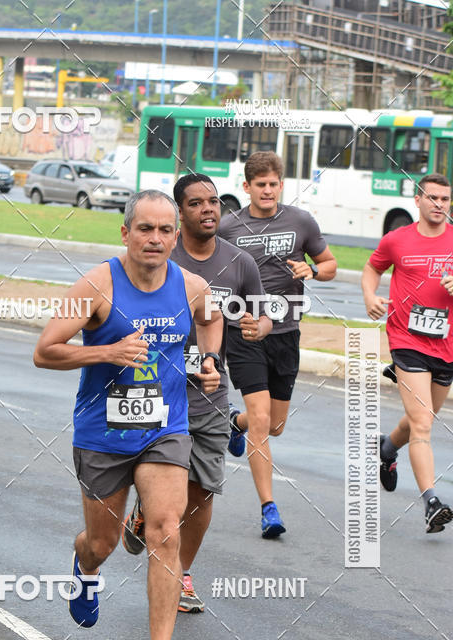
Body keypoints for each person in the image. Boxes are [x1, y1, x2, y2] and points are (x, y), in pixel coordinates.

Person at [33, 189, 223, 640]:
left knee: (164, 529)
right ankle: (85, 565)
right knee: (104, 542)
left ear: (175, 236)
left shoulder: (191, 285)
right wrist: (107, 352)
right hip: (103, 434)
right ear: (125, 233)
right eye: (145, 229)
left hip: (166, 428)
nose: (156, 239)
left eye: (165, 230)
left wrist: (210, 361)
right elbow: (45, 351)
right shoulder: (96, 284)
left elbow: (212, 317)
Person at [122, 173, 267, 611]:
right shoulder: (157, 252)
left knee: (202, 490)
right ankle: (148, 508)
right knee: (168, 483)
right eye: (197, 203)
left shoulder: (239, 262)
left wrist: (259, 326)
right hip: (155, 390)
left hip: (208, 392)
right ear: (179, 213)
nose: (208, 209)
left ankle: (181, 573)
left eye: (214, 202)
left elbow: (263, 316)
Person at [218, 151, 337, 538]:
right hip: (245, 330)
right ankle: (269, 508)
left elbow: (330, 265)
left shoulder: (300, 220)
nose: (267, 191)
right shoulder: (229, 227)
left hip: (286, 333)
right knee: (264, 423)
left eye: (273, 184)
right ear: (247, 187)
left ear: (281, 185)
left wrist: (313, 270)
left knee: (276, 425)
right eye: (260, 185)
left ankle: (234, 424)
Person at [362, 172, 453, 533]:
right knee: (424, 424)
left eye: (445, 200)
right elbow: (372, 268)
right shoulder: (397, 240)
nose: (439, 206)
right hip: (406, 339)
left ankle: (387, 448)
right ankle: (431, 500)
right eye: (433, 198)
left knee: (422, 416)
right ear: (418, 200)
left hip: (446, 344)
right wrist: (370, 296)